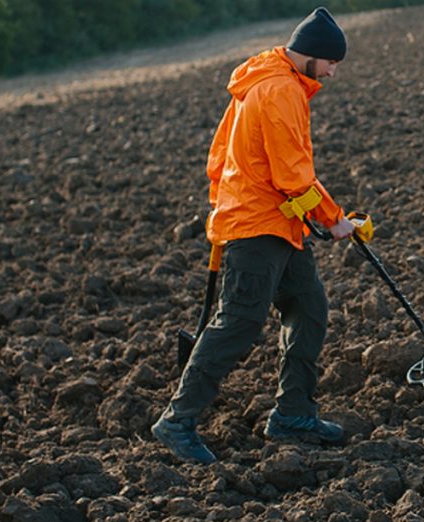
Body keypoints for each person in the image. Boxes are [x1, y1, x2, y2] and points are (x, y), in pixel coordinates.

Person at [152, 7, 357, 464]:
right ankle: (177, 420)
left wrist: (222, 203)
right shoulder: (279, 89)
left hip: (278, 224)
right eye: (331, 62)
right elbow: (292, 174)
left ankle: (293, 414)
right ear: (311, 54)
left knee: (308, 307)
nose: (332, 72)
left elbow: (219, 156)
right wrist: (332, 219)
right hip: (256, 226)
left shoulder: (261, 81)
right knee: (240, 322)